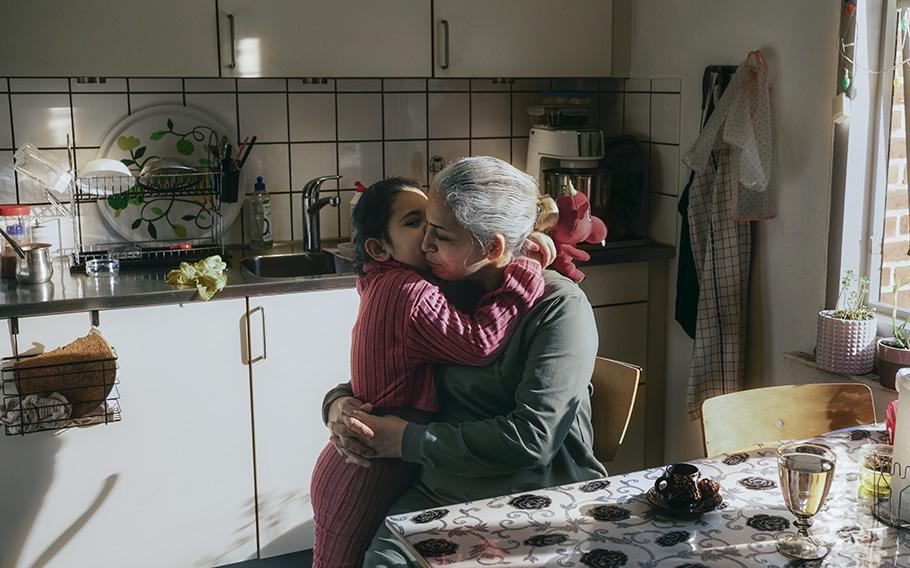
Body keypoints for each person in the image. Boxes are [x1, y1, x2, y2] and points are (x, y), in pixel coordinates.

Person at [323, 157, 606, 567]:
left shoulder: (559, 308)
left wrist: (405, 440)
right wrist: (337, 404)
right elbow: (388, 370)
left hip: (536, 499)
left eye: (440, 236)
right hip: (441, 491)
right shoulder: (443, 287)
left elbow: (533, 439)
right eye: (422, 228)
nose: (424, 246)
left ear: (492, 247)